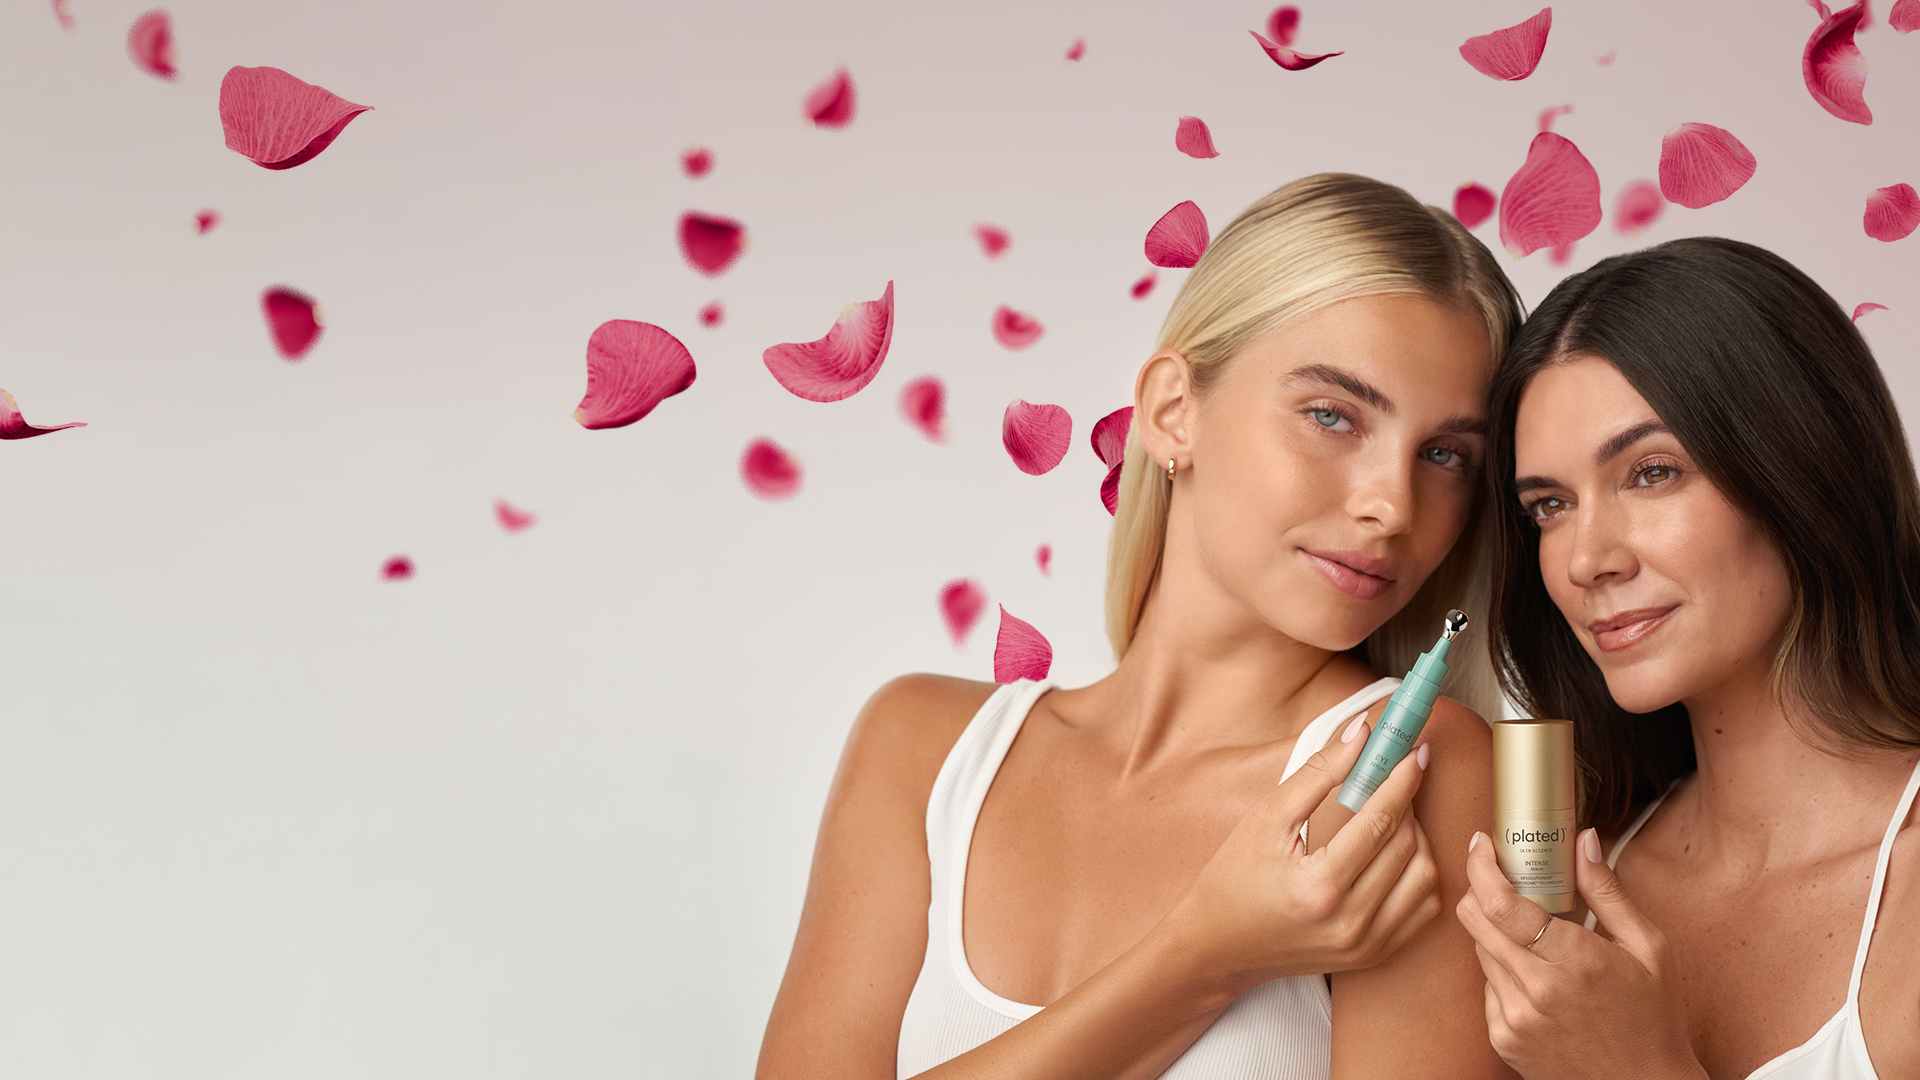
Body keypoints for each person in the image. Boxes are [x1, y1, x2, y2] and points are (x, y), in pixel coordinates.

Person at [758, 173, 1523, 1079]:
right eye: (1332, 415)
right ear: (1172, 411)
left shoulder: (1407, 766)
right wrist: (1207, 954)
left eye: (1446, 456)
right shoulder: (923, 748)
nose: (1392, 504)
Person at [1459, 237, 1920, 1080]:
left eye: (1653, 472)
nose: (1584, 558)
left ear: (1803, 465)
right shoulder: (1564, 869)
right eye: (1550, 506)